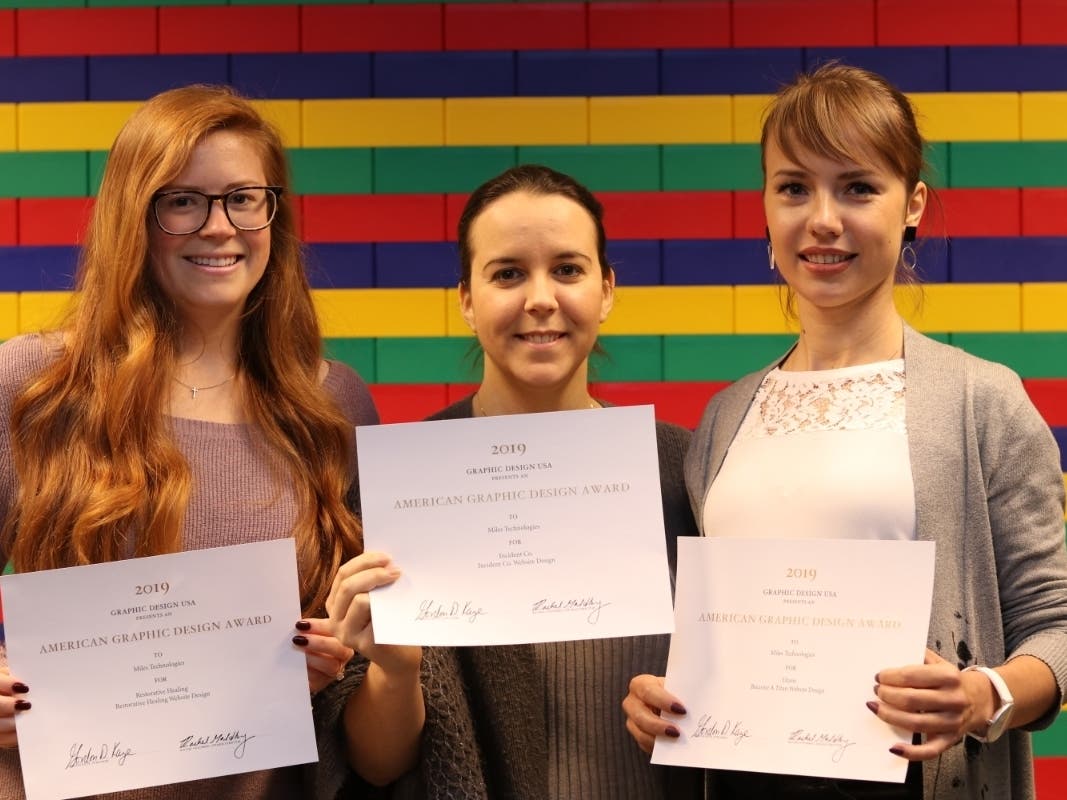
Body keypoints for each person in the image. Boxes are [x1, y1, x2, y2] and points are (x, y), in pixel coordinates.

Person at [622, 63, 1067, 799]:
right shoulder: (722, 421)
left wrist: (983, 694)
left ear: (911, 203)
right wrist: (660, 701)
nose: (821, 219)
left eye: (857, 187)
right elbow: (708, 639)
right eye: (793, 187)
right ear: (764, 206)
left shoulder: (980, 400)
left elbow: (1055, 626)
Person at [0, 84, 422, 799]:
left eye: (243, 198)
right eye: (182, 200)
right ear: (136, 215)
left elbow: (373, 731)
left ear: (273, 214)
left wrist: (345, 657)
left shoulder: (333, 403)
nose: (218, 226)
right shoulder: (36, 383)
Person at [400, 164, 701, 798]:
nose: (541, 298)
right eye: (508, 273)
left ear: (607, 290)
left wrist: (704, 707)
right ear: (465, 299)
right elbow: (376, 764)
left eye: (567, 269)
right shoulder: (403, 485)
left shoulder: (683, 470)